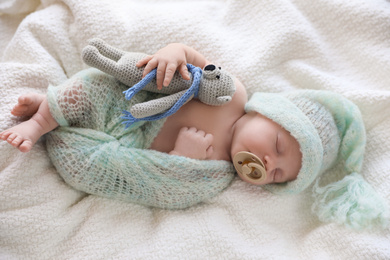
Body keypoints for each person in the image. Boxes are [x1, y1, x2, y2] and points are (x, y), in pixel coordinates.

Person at [0, 43, 388, 229]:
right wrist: (172, 54)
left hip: (128, 149)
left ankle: (53, 116)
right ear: (267, 113)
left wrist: (183, 161)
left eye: (279, 174)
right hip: (125, 104)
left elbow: (170, 188)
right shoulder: (232, 93)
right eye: (278, 147)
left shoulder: (217, 172)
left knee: (87, 158)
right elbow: (192, 61)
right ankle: (43, 117)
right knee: (91, 85)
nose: (268, 165)